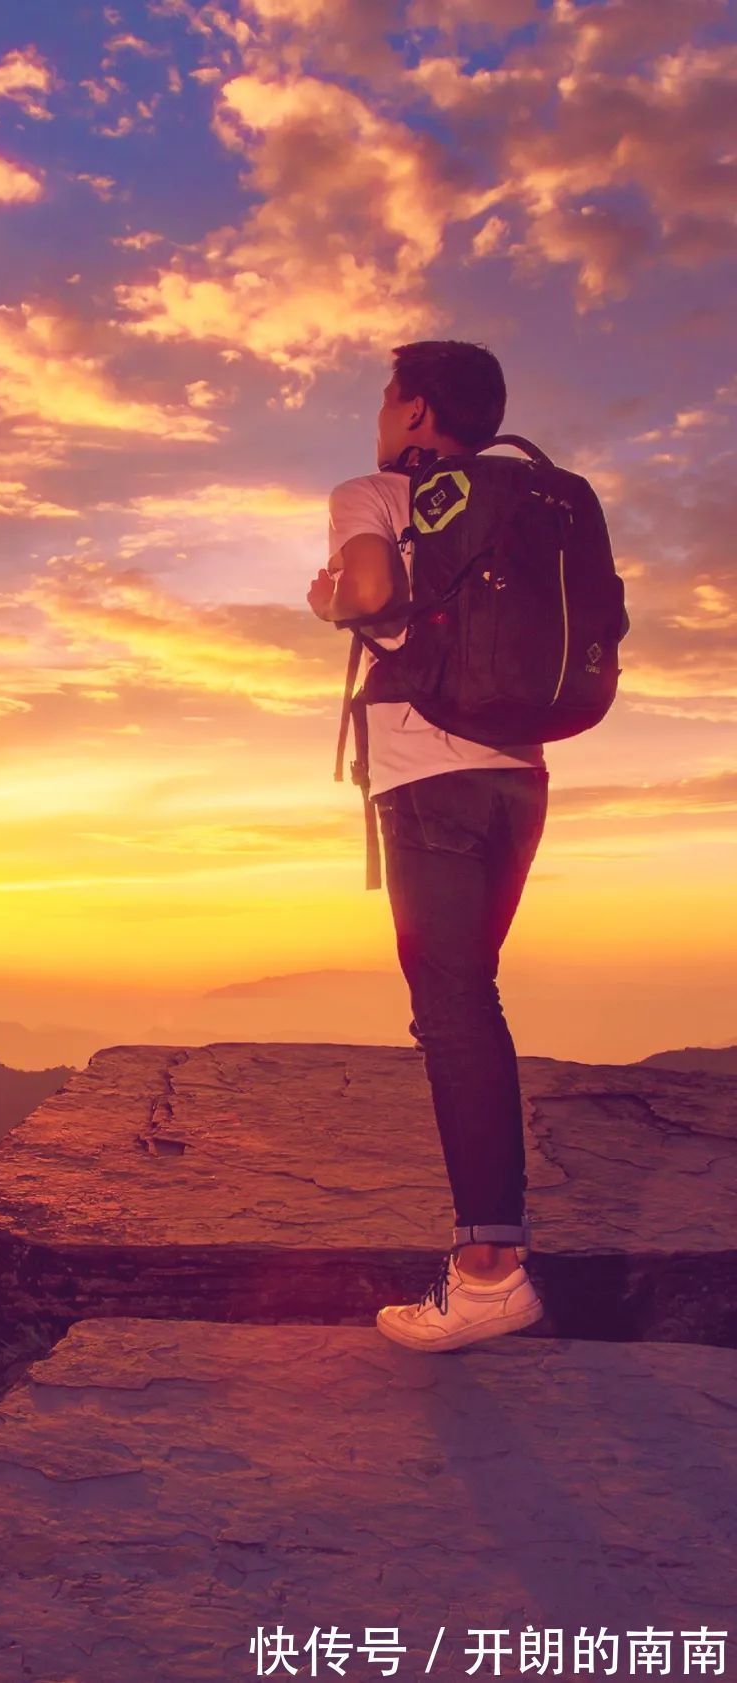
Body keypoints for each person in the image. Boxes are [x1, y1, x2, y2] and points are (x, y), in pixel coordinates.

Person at [307, 339, 548, 1353]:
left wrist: (328, 601)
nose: (377, 415)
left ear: (415, 415)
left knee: (452, 1011)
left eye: (385, 397)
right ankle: (491, 1257)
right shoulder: (531, 505)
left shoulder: (375, 493)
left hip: (429, 782)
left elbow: (366, 593)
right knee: (471, 995)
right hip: (519, 779)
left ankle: (490, 1273)